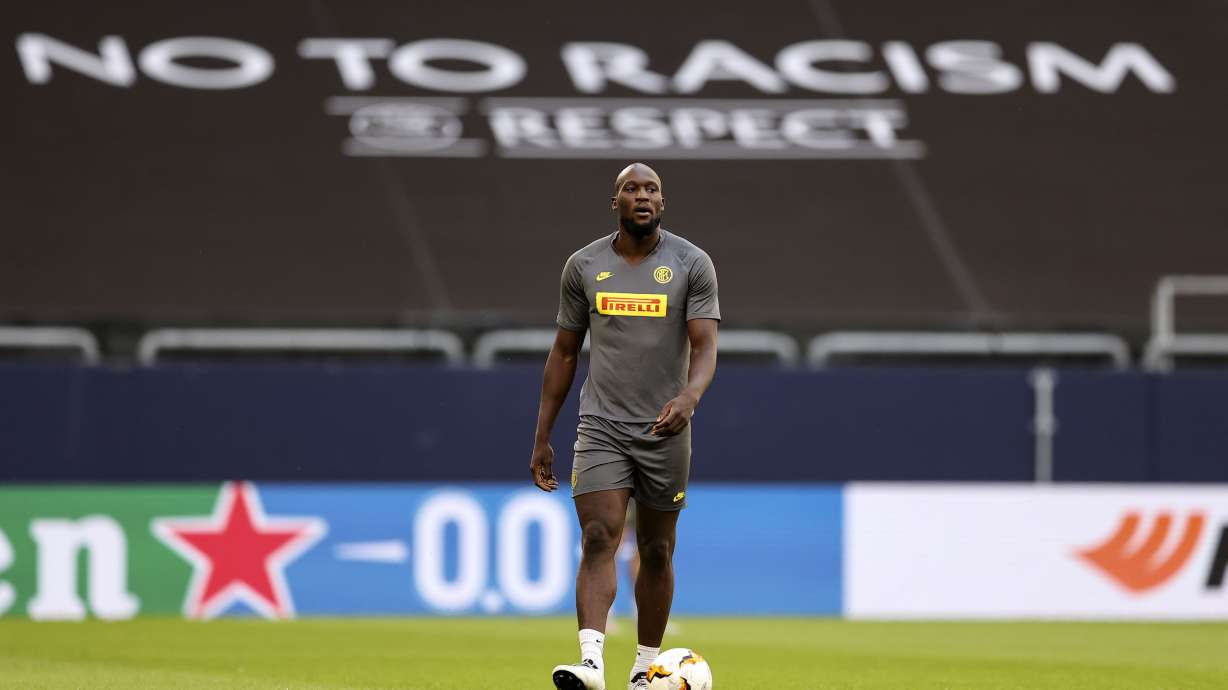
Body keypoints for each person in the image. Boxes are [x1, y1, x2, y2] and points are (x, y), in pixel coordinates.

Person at [529, 162, 719, 690]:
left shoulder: (691, 263)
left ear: (662, 202)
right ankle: (591, 662)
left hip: (665, 428)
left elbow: (704, 346)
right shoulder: (584, 266)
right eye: (631, 189)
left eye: (651, 189)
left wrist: (690, 395)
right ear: (615, 202)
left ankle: (644, 667)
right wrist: (543, 435)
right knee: (598, 537)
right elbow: (564, 354)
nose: (642, 196)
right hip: (601, 425)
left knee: (657, 550)